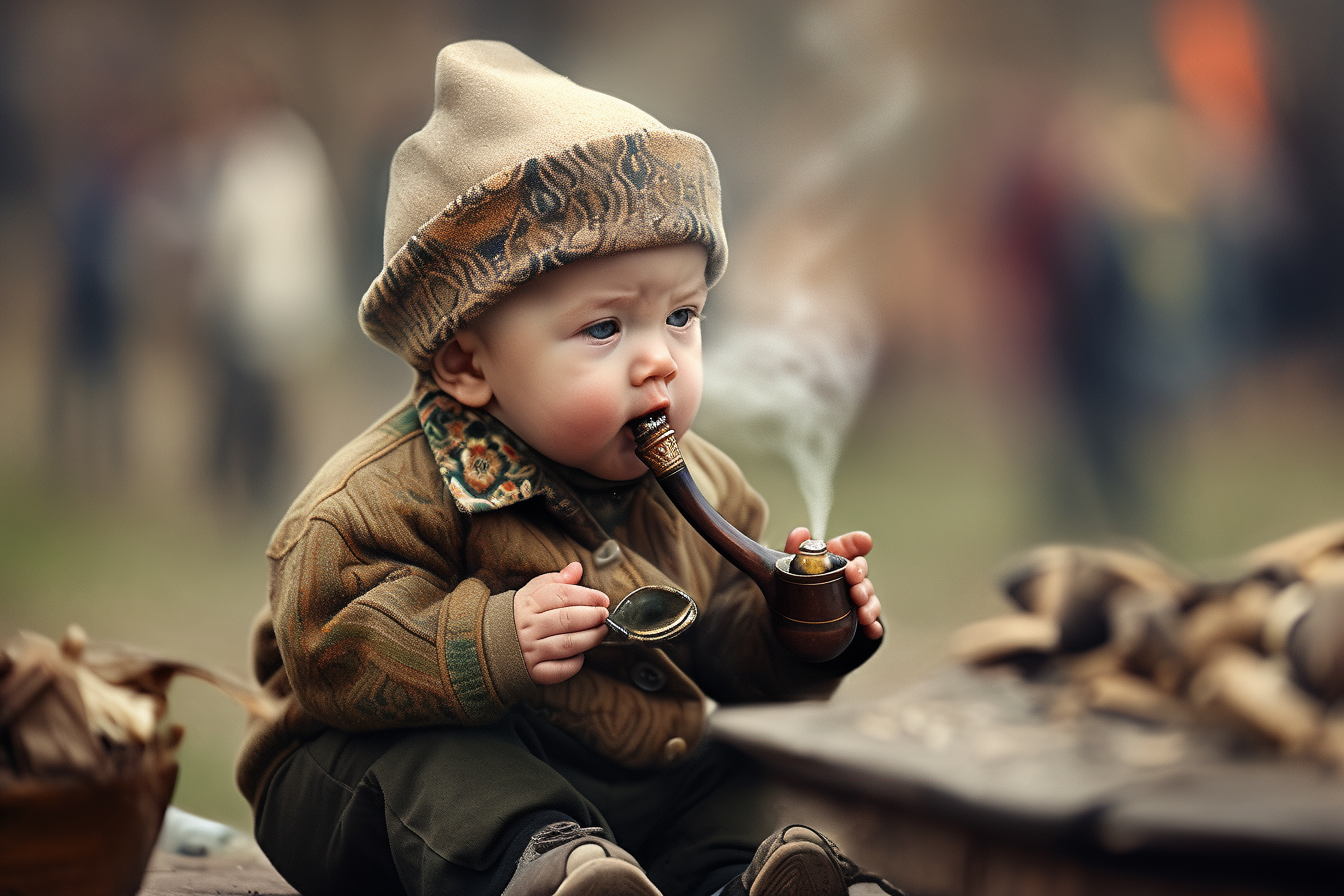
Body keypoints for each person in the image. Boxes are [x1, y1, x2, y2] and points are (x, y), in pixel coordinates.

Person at [236, 41, 895, 896]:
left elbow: (722, 659)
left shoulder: (711, 487)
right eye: (604, 329)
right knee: (447, 762)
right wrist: (492, 641)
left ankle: (738, 879)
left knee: (737, 762)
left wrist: (799, 630)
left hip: (626, 773)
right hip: (367, 779)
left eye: (683, 315)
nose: (659, 361)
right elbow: (329, 653)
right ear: (468, 363)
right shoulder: (373, 503)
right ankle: (544, 871)